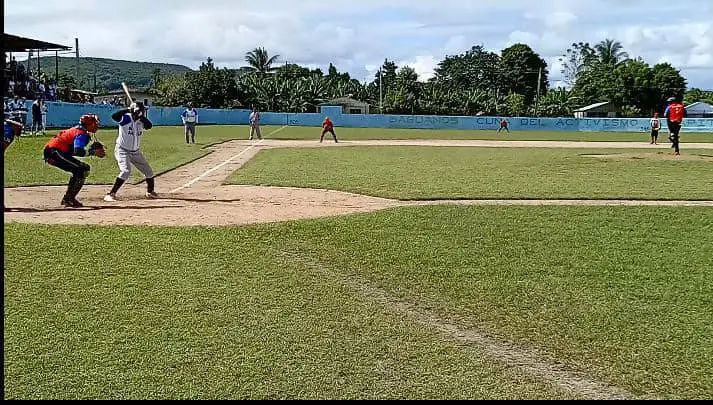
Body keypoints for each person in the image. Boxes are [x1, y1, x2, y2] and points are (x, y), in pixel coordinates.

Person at [43, 114, 105, 208]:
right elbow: (78, 151)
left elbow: (71, 150)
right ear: (89, 124)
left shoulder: (79, 131)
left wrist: (91, 152)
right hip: (54, 152)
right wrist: (93, 152)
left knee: (80, 170)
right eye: (94, 123)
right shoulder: (81, 134)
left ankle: (68, 198)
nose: (96, 126)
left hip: (55, 151)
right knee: (82, 169)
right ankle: (69, 199)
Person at [104, 101, 158, 202]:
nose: (143, 112)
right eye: (142, 110)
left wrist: (140, 116)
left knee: (149, 172)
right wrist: (129, 110)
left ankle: (150, 192)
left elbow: (149, 126)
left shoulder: (141, 121)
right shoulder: (126, 118)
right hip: (122, 150)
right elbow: (114, 116)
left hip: (135, 152)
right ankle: (110, 194)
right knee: (125, 171)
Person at [4, 119, 24, 211]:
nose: (20, 130)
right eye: (19, 127)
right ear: (13, 125)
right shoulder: (8, 132)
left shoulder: (7, 129)